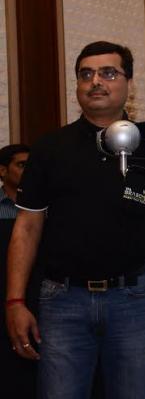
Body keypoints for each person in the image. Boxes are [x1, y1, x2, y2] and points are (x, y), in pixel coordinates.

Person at [5, 41, 145, 399]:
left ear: (129, 84)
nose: (95, 82)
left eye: (108, 73)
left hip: (134, 300)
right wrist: (14, 302)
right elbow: (26, 227)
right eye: (86, 74)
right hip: (62, 301)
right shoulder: (50, 148)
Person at [0, 144, 38, 398]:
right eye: (21, 165)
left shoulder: (44, 209)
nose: (28, 171)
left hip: (37, 299)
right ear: (3, 171)